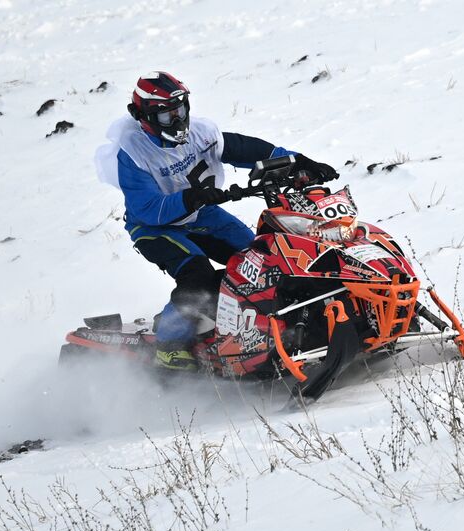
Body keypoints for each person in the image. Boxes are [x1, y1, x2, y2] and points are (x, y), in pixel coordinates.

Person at [94, 71, 338, 369]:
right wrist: (191, 198)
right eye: (167, 116)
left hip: (202, 214)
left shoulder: (201, 134)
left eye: (180, 110)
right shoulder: (133, 154)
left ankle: (282, 326)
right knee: (197, 276)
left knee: (264, 259)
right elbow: (147, 208)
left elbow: (248, 150)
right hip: (155, 228)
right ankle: (169, 346)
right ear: (142, 116)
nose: (177, 119)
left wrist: (299, 162)